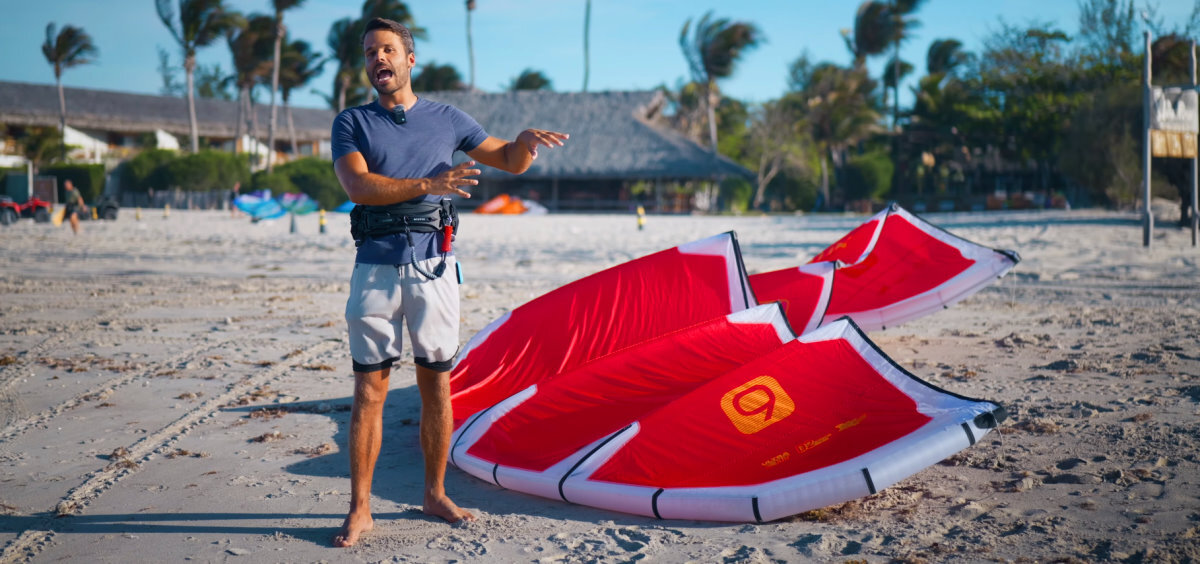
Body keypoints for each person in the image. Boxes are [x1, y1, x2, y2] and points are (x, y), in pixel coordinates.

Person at [329, 17, 568, 548]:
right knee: (370, 388)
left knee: (436, 381)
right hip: (374, 265)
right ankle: (360, 508)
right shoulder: (351, 122)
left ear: (410, 60)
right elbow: (358, 185)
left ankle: (434, 493)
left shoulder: (448, 118)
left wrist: (525, 144)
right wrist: (428, 184)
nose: (377, 59)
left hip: (434, 266)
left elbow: (507, 158)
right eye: (369, 52)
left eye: (386, 50)